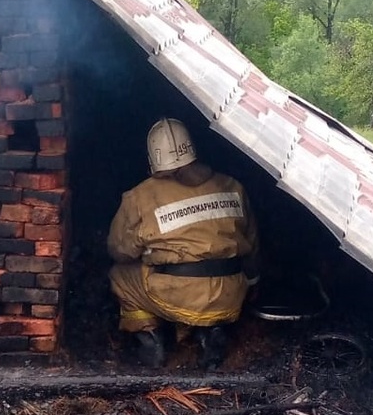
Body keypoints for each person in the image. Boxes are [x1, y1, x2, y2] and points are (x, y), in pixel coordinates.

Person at [107, 118, 260, 369]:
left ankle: (151, 340)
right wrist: (253, 282)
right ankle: (211, 332)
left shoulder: (139, 196)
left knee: (120, 275)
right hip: (231, 294)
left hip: (176, 296)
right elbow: (252, 243)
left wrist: (146, 248)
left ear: (152, 158)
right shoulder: (233, 186)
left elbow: (118, 250)